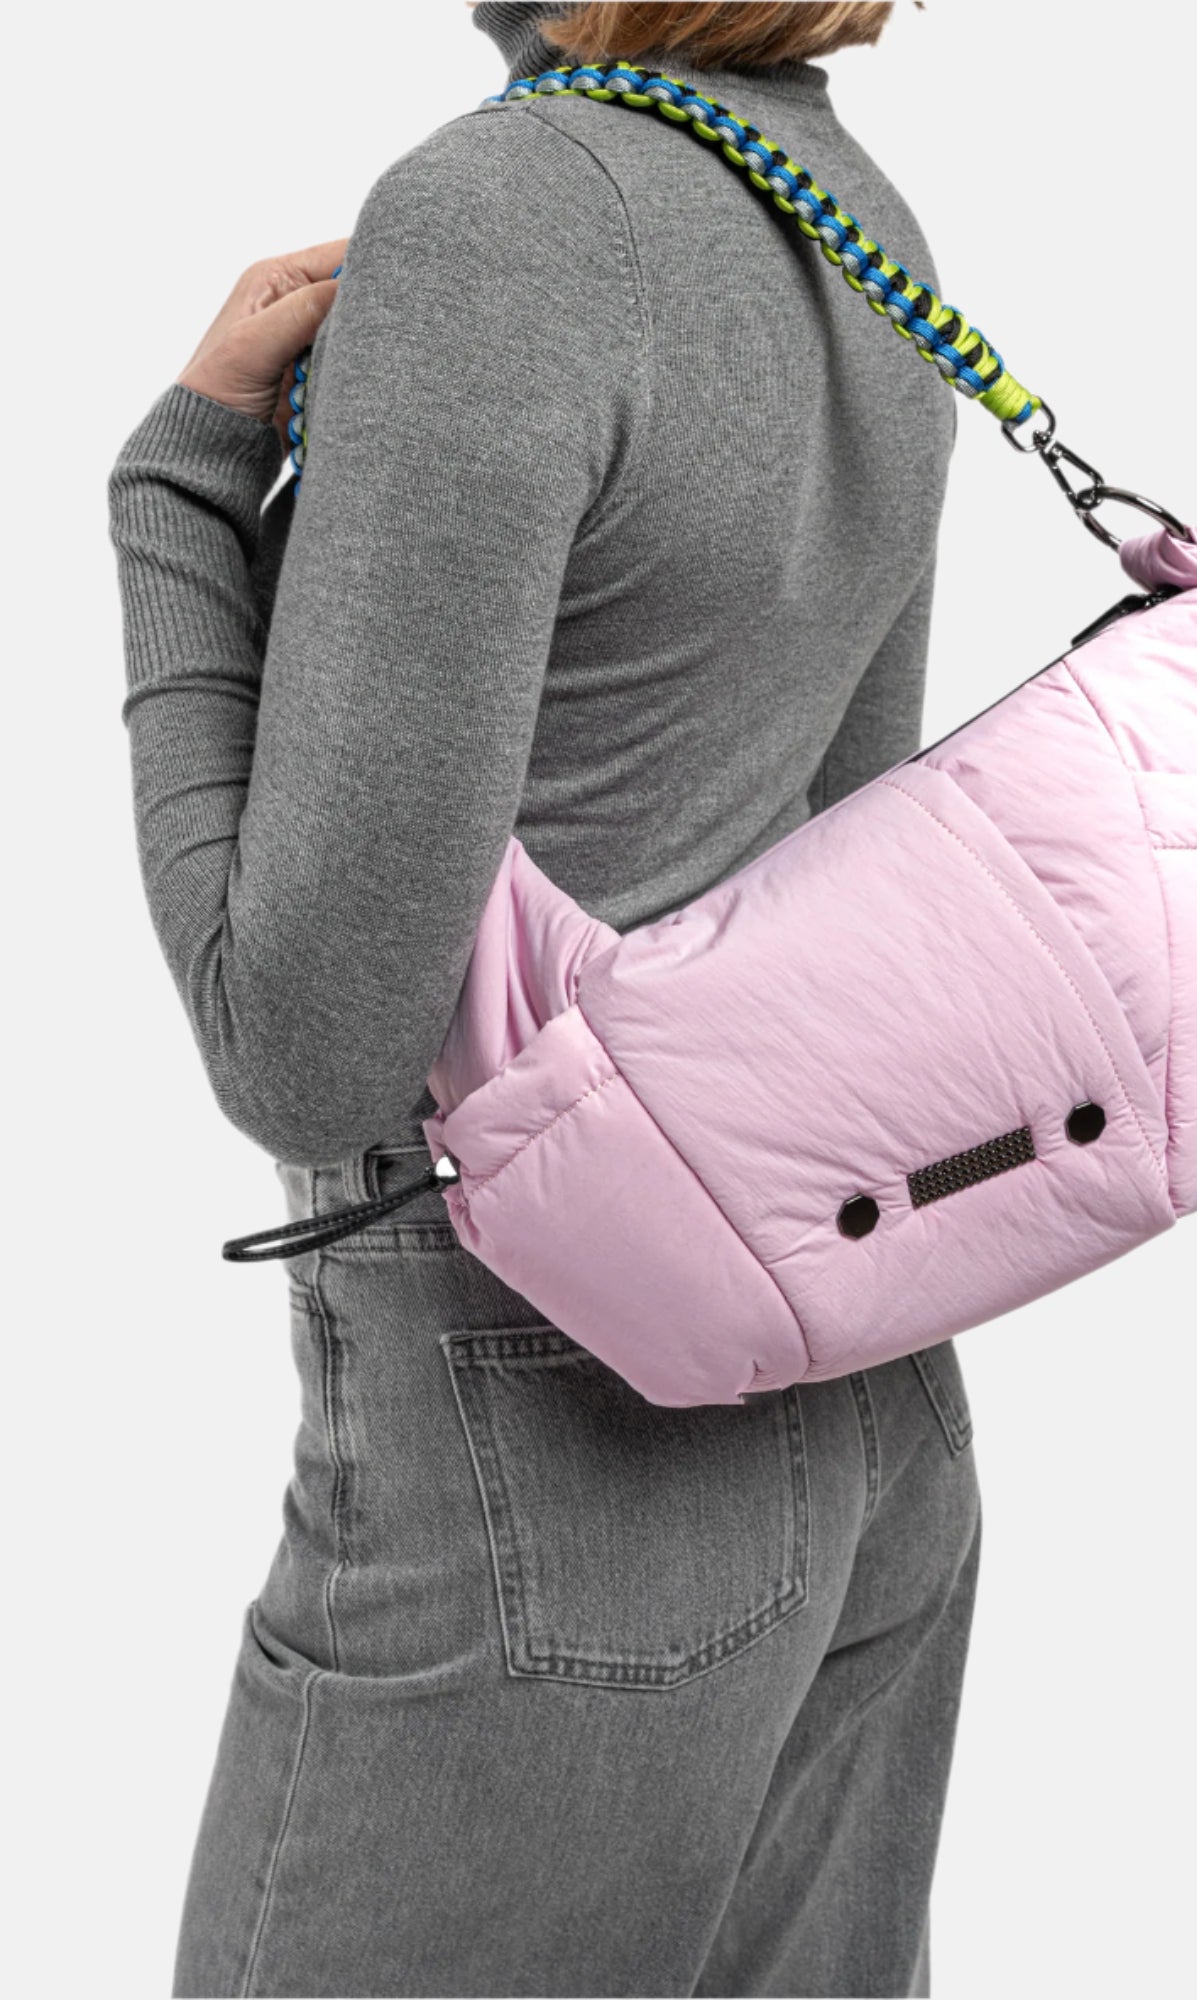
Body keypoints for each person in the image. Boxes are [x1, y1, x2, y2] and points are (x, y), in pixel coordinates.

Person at [109, 3, 979, 1992]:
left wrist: (179, 485)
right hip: (860, 1419)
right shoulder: (851, 208)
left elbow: (300, 1044)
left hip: (546, 1474)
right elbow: (833, 892)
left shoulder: (502, 219)